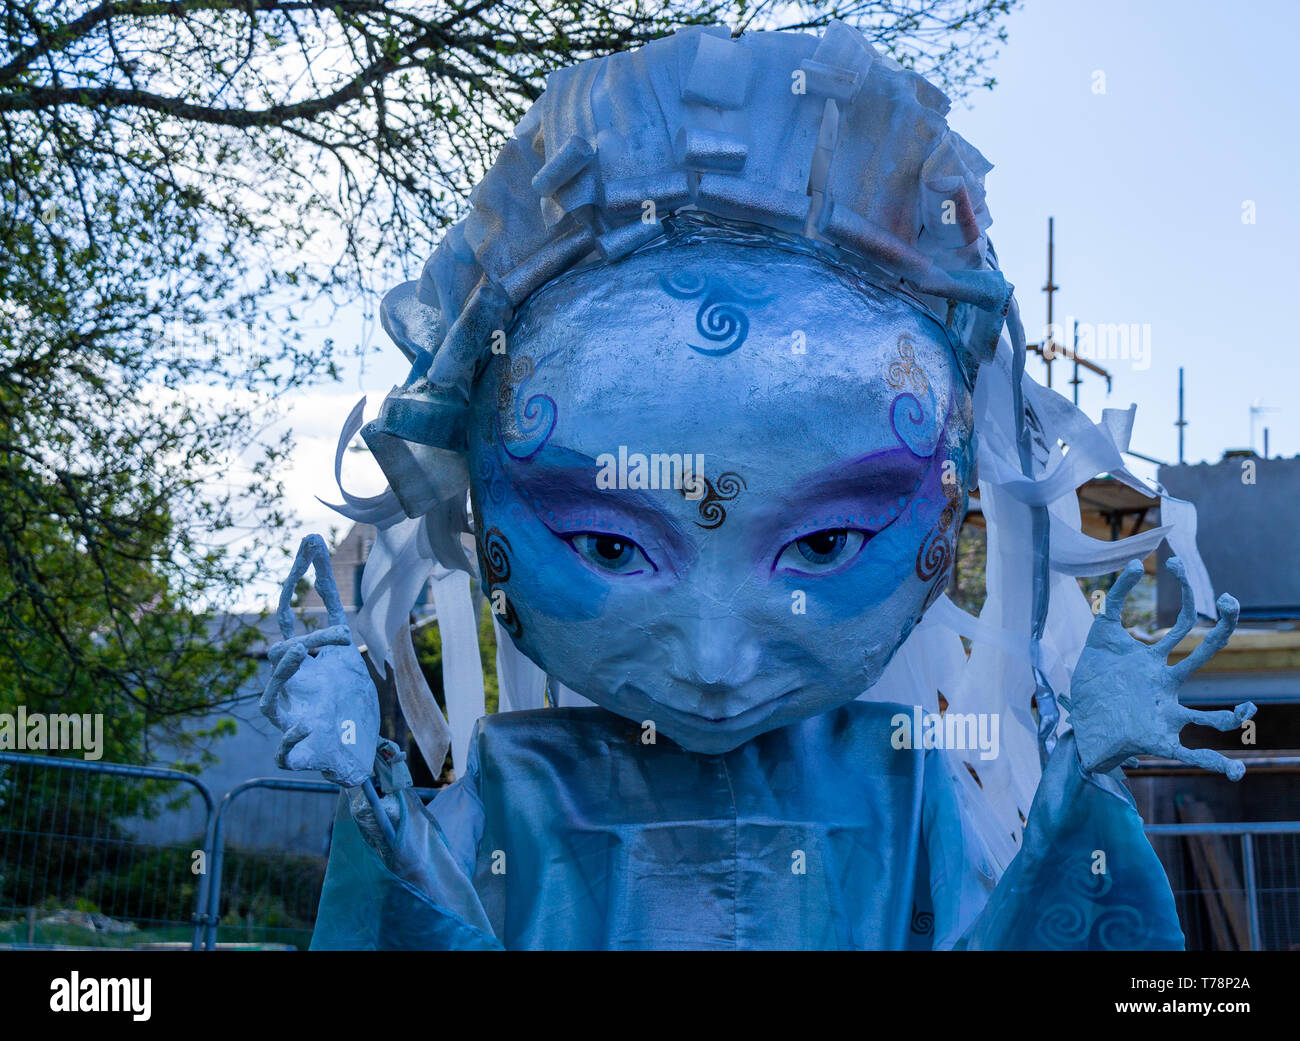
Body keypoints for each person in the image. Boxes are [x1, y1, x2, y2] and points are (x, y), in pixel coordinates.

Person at [260, 21, 1253, 950]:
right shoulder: (519, 784)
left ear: (950, 516)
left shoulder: (897, 777)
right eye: (608, 543)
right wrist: (373, 799)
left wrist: (1081, 789)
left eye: (825, 541)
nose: (714, 658)